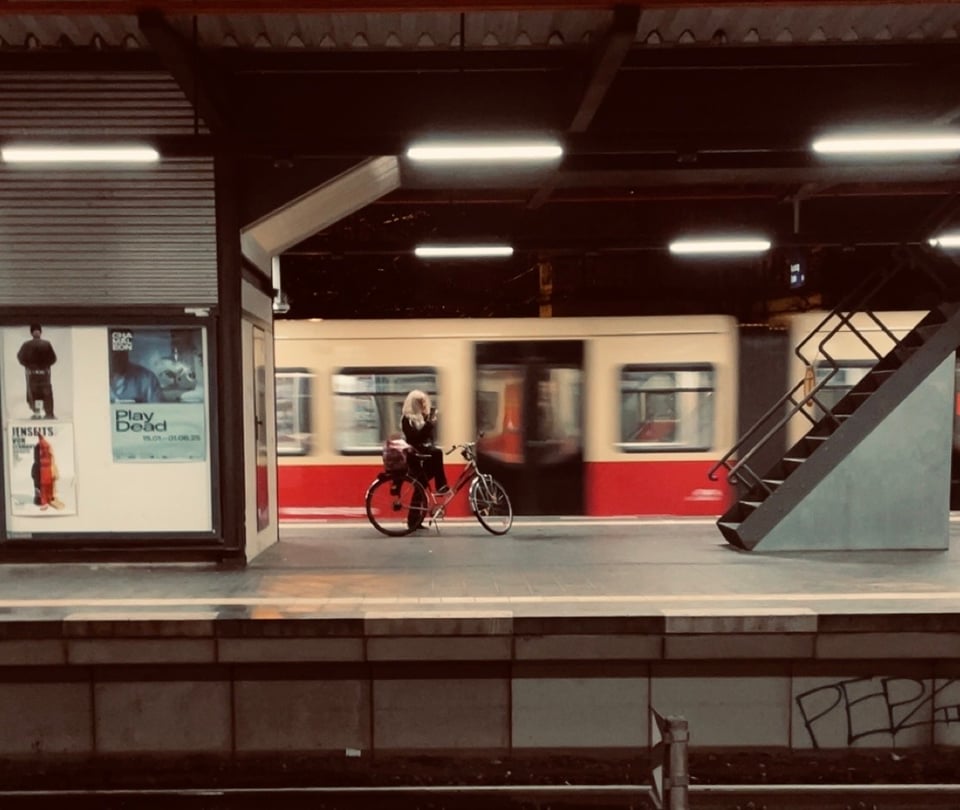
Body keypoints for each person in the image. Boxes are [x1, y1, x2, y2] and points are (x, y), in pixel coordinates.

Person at [401, 389, 449, 494]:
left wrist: (430, 422)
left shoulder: (421, 418)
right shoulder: (407, 419)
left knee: (421, 484)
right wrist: (428, 425)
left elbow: (427, 437)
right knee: (437, 452)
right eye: (420, 402)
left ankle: (415, 510)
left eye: (424, 402)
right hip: (415, 453)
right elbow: (414, 437)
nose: (423, 405)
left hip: (423, 451)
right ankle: (441, 485)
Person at [17, 323, 57, 419]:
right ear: (40, 332)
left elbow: (20, 358)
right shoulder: (46, 344)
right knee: (46, 394)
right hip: (44, 374)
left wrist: (29, 366)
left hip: (32, 374)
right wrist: (45, 365)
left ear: (31, 333)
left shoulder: (26, 345)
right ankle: (49, 414)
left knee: (35, 394)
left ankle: (37, 413)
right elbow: (53, 358)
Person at [110, 336, 163, 404]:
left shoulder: (147, 378)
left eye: (121, 353)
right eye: (113, 354)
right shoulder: (94, 377)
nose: (117, 358)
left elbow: (159, 411)